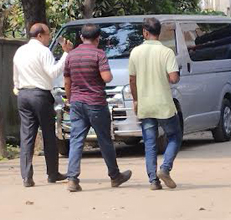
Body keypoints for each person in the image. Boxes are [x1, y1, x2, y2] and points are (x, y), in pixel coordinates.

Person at [64, 24, 132, 192]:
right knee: (104, 140)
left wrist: (71, 98)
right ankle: (115, 176)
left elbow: (67, 81)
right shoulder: (99, 54)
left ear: (81, 37)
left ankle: (72, 179)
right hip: (95, 103)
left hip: (77, 103)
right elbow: (107, 77)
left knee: (76, 141)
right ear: (98, 38)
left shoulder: (71, 56)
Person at [13, 23, 73, 187]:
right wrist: (66, 55)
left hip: (23, 95)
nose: (49, 38)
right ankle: (52, 173)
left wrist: (19, 89)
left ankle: (26, 176)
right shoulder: (43, 51)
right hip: (40, 95)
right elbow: (53, 72)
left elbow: (16, 77)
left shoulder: (20, 51)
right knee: (48, 135)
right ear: (40, 35)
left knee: (26, 136)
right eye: (47, 35)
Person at [128, 17, 182, 190]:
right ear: (159, 33)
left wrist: (136, 100)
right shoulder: (167, 52)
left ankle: (153, 181)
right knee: (174, 136)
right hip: (164, 105)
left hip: (145, 105)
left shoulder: (135, 52)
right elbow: (174, 78)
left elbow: (132, 80)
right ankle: (165, 168)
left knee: (149, 143)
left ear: (144, 32)